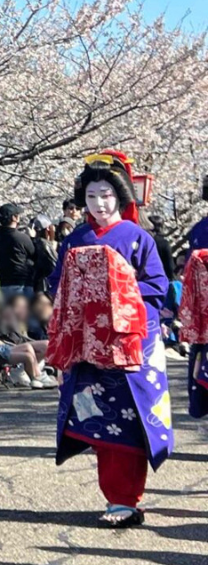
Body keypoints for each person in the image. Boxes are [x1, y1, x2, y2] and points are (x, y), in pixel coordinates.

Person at [48, 150, 172, 527]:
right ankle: (116, 497)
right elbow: (57, 284)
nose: (99, 204)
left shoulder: (138, 238)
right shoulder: (75, 239)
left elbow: (158, 286)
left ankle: (126, 499)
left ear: (120, 197)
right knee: (99, 418)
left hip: (129, 343)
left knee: (131, 419)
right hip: (87, 345)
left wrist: (117, 291)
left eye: (106, 195)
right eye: (91, 196)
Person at [0, 203, 37, 302]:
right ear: (14, 218)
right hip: (22, 284)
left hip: (4, 284)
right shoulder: (21, 237)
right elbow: (34, 254)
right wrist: (33, 238)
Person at [31, 215, 59, 298]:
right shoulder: (44, 244)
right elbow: (56, 265)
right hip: (46, 286)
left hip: (36, 286)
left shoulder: (33, 242)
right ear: (48, 229)